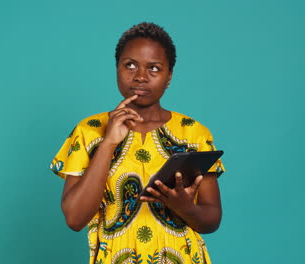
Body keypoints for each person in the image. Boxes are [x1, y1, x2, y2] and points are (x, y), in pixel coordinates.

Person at [50, 22, 225, 264]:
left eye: (154, 68)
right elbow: (75, 219)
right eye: (130, 65)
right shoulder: (88, 131)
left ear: (169, 77)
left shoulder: (193, 134)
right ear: (117, 69)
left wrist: (186, 207)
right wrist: (108, 143)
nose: (141, 77)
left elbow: (212, 219)